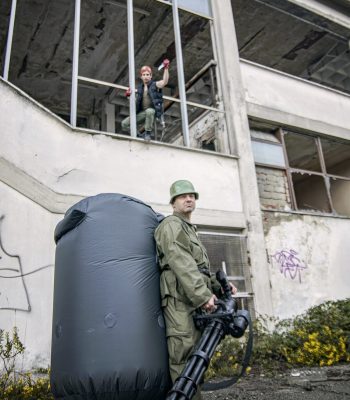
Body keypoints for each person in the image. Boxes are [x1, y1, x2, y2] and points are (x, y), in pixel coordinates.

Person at [154, 180, 237, 400]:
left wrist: (221, 288)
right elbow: (180, 261)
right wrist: (202, 295)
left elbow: (199, 269)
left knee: (198, 355)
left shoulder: (189, 229)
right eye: (183, 196)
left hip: (191, 298)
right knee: (184, 353)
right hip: (179, 299)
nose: (189, 199)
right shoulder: (171, 225)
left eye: (192, 195)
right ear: (173, 202)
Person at [121, 59, 170, 141]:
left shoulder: (155, 85)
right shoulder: (139, 89)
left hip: (152, 112)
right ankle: (138, 135)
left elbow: (164, 82)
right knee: (124, 123)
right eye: (144, 75)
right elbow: (134, 103)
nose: (146, 76)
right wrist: (129, 96)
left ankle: (147, 133)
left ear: (151, 76)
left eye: (147, 74)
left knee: (149, 111)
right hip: (142, 112)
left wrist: (166, 68)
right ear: (141, 77)